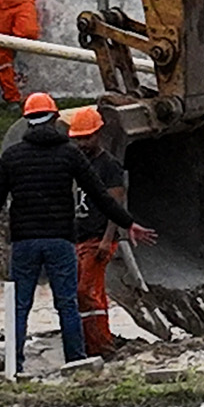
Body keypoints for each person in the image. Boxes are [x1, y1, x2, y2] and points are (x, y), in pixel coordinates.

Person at [0, 90, 153, 371]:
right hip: (61, 241)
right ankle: (76, 361)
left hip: (24, 242)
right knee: (67, 303)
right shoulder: (69, 155)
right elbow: (101, 196)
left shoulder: (12, 157)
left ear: (27, 121)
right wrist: (128, 223)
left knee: (20, 306)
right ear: (56, 119)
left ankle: (14, 365)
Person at [64, 103, 129, 354]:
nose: (82, 144)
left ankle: (99, 344)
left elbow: (115, 204)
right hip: (80, 236)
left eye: (86, 138)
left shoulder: (108, 166)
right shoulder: (78, 165)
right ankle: (96, 339)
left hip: (99, 237)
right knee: (92, 291)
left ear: (98, 134)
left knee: (85, 291)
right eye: (78, 139)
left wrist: (107, 239)